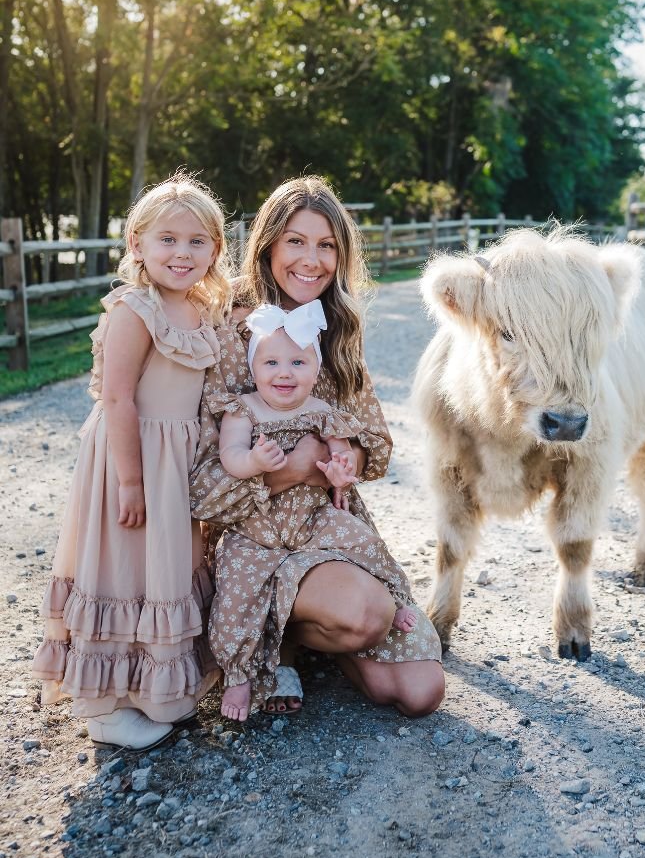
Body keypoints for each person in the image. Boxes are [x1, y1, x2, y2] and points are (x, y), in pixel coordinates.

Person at [190, 175, 444, 719]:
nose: (312, 259)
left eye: (326, 245)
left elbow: (376, 439)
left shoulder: (337, 326)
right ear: (268, 247)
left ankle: (300, 636)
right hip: (253, 532)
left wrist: (346, 455)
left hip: (323, 527)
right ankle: (279, 643)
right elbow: (200, 484)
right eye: (296, 242)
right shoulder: (231, 328)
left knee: (419, 692)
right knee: (364, 614)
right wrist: (295, 466)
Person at [32, 173, 232, 750]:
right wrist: (130, 479)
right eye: (167, 239)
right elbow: (117, 397)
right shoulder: (135, 308)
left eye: (197, 242)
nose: (182, 253)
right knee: (123, 567)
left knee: (162, 571)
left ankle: (156, 687)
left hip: (174, 466)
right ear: (137, 245)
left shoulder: (199, 308)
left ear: (215, 251)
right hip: (132, 457)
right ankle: (106, 706)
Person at [212, 300, 417, 721]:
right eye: (270, 362)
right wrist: (255, 463)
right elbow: (230, 456)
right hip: (256, 527)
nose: (284, 372)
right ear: (253, 367)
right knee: (235, 590)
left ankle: (398, 598)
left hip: (311, 518)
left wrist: (339, 471)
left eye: (298, 363)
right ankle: (239, 674)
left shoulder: (321, 412)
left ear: (315, 369)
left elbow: (344, 457)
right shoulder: (243, 409)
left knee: (362, 538)